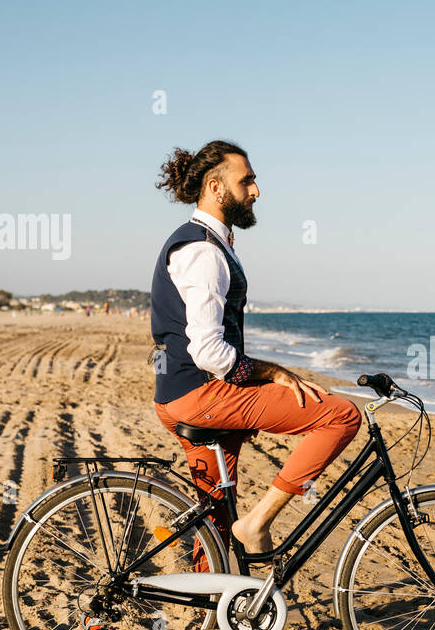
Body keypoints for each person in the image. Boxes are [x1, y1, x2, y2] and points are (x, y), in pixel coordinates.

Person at [150, 140, 361, 556]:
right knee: (341, 415)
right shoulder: (203, 252)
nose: (256, 191)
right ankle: (258, 522)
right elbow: (208, 350)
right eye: (246, 181)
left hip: (178, 393)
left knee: (213, 521)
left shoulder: (207, 242)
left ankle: (211, 614)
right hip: (201, 394)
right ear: (215, 187)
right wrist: (272, 371)